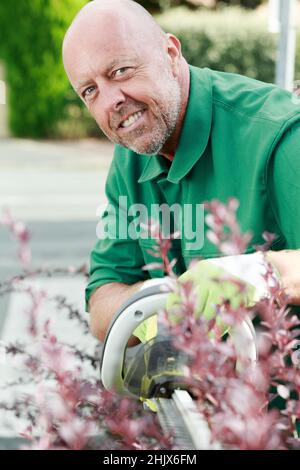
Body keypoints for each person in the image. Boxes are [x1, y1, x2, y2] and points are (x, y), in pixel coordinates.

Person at [62, 0, 300, 344]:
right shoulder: (132, 153)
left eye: (120, 71)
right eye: (90, 90)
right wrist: (160, 301)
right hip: (195, 395)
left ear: (171, 54)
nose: (111, 100)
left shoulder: (278, 135)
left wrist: (257, 273)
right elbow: (101, 303)